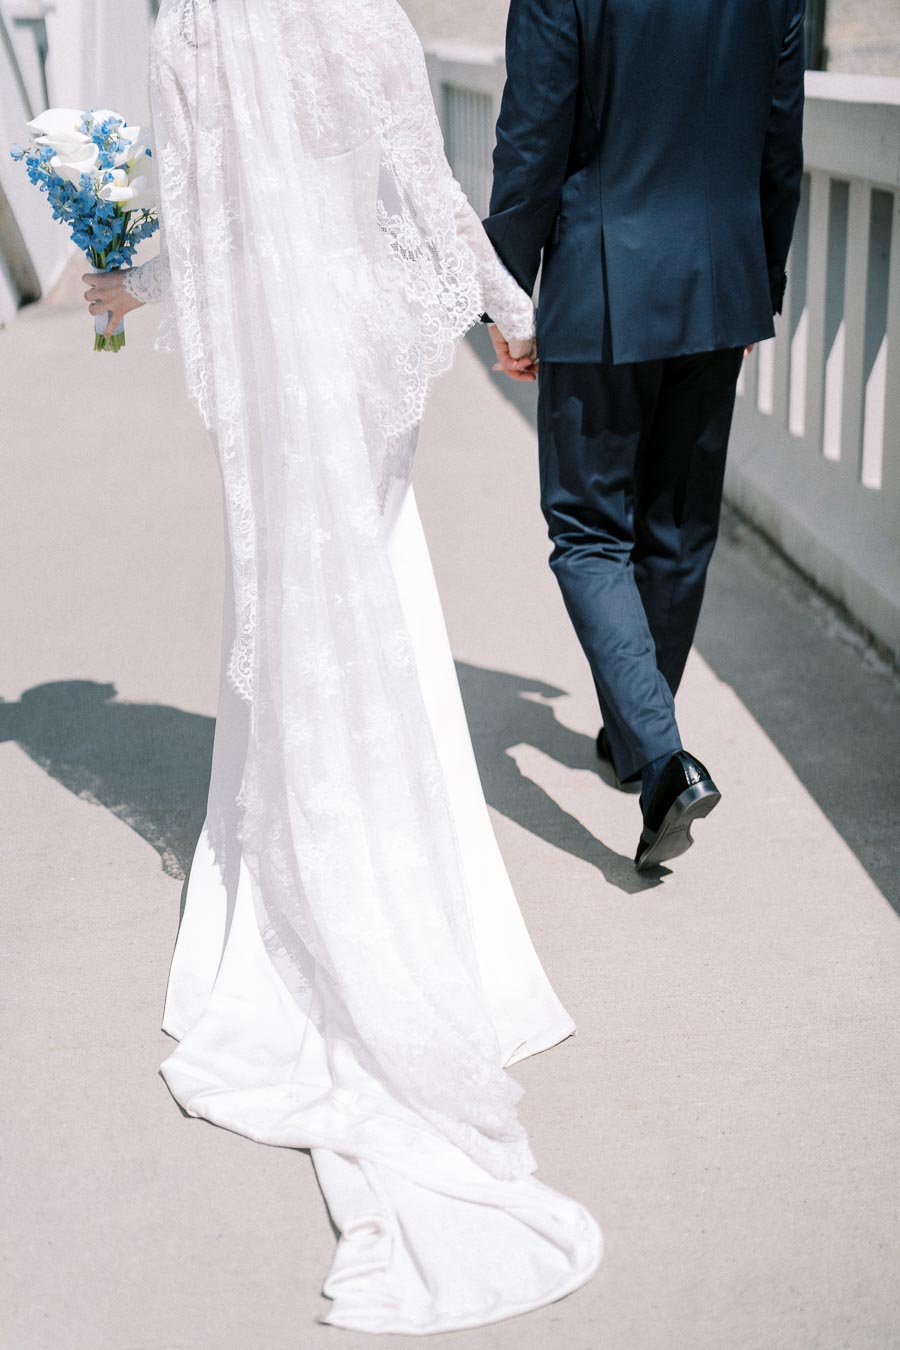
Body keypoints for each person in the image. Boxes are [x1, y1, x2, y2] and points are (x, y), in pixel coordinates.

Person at [82, 0, 600, 1335]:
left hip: (274, 366)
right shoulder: (359, 13)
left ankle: (307, 867)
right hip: (354, 353)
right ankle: (416, 878)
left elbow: (206, 231)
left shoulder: (193, 24)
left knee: (294, 613)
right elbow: (421, 181)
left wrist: (126, 279)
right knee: (379, 602)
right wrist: (509, 305)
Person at [485, 0, 805, 871]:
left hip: (603, 278)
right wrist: (759, 280)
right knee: (678, 527)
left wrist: (507, 296)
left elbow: (530, 139)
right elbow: (780, 140)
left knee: (589, 531)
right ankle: (638, 729)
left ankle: (664, 762)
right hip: (722, 277)